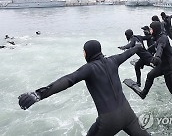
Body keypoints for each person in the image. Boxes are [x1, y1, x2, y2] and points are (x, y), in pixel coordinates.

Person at [18, 40, 150, 136]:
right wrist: (138, 46)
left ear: (87, 53)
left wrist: (39, 94)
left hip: (108, 121)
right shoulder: (113, 60)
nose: (83, 54)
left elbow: (68, 79)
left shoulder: (89, 68)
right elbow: (129, 53)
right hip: (128, 114)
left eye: (83, 51)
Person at [136, 21, 172, 99]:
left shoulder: (163, 39)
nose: (150, 31)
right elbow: (152, 48)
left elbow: (160, 47)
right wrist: (142, 60)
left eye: (151, 29)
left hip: (169, 67)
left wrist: (157, 57)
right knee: (150, 75)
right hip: (162, 66)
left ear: (155, 29)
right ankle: (143, 94)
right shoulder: (157, 37)